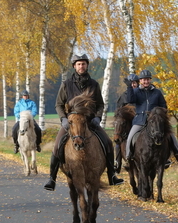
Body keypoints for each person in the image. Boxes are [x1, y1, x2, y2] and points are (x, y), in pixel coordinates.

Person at [43, 54, 124, 191]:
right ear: (74, 66)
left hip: (90, 121)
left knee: (108, 143)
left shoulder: (94, 85)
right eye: (79, 64)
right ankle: (52, 178)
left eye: (84, 64)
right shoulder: (66, 84)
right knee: (57, 145)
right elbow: (58, 104)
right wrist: (63, 119)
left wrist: (97, 117)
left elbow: (100, 105)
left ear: (87, 66)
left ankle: (112, 175)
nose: (81, 66)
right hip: (72, 123)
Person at [124, 69, 178, 167]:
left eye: (148, 79)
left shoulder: (157, 92)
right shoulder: (136, 92)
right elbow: (130, 100)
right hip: (140, 120)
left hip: (155, 121)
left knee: (170, 135)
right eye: (144, 80)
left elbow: (164, 105)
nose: (146, 82)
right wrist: (129, 87)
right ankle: (129, 158)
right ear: (140, 81)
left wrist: (158, 113)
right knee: (130, 137)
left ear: (150, 80)